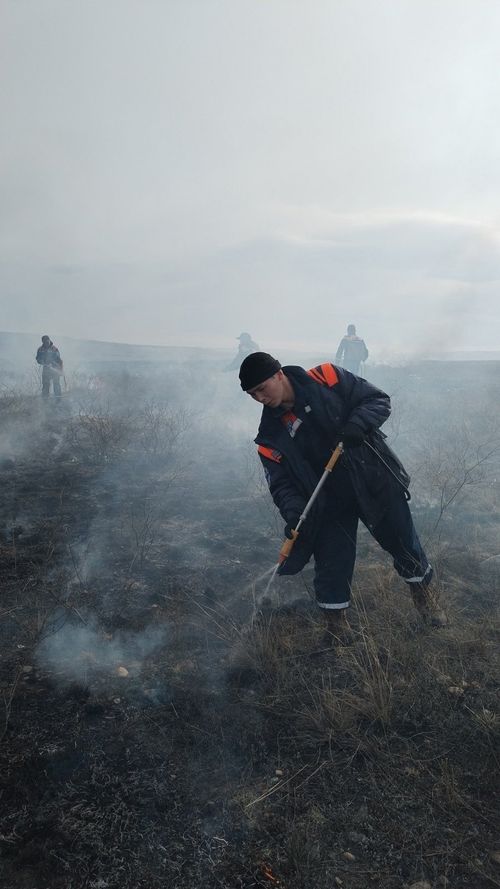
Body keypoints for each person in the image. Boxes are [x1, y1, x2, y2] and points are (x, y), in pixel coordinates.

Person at [239, 351, 447, 638]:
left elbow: (377, 400)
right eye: (252, 395)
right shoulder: (269, 436)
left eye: (261, 388)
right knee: (331, 562)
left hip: (372, 479)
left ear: (278, 374)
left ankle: (426, 602)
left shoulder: (327, 377)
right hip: (327, 499)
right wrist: (293, 513)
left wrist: (357, 425)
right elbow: (282, 485)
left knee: (403, 543)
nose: (259, 398)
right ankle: (337, 628)